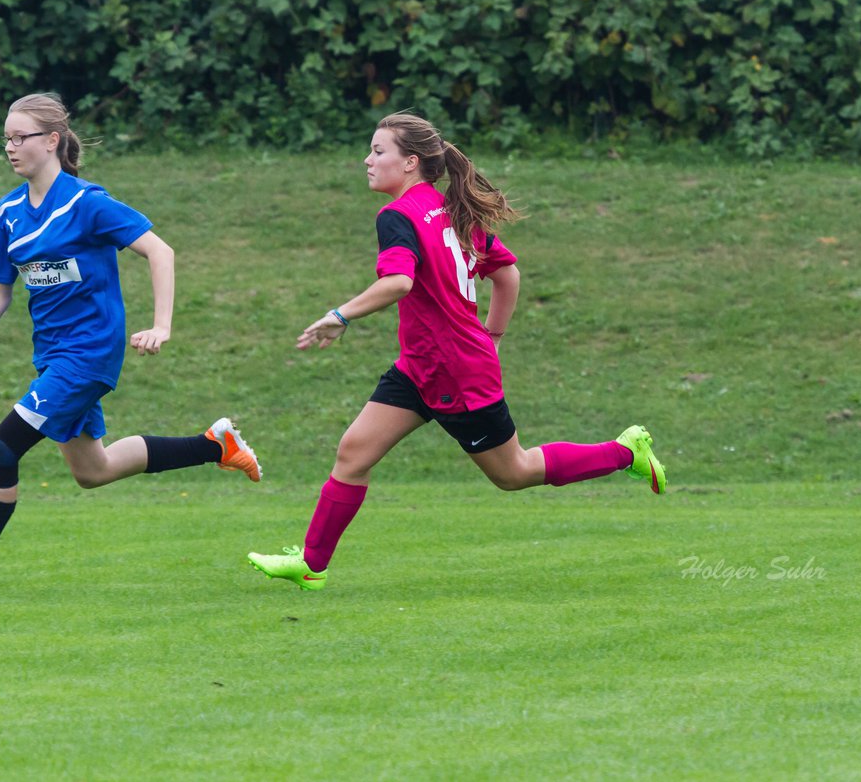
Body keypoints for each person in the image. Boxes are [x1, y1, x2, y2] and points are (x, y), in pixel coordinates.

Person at [247, 113, 665, 591]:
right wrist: (495, 336)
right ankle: (312, 565)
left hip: (458, 372)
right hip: (423, 366)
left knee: (515, 472)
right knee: (354, 453)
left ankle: (623, 452)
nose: (367, 160)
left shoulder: (398, 216)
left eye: (378, 151)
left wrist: (340, 316)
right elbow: (507, 273)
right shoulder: (447, 209)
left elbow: (399, 281)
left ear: (409, 162)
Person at [0, 93, 261, 591]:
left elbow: (161, 252)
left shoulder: (87, 203)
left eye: (20, 137)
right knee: (93, 470)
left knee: (2, 447)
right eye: (5, 138)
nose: (10, 147)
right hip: (53, 357)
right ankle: (214, 446)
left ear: (51, 141)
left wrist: (162, 325)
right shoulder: (8, 212)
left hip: (89, 354)